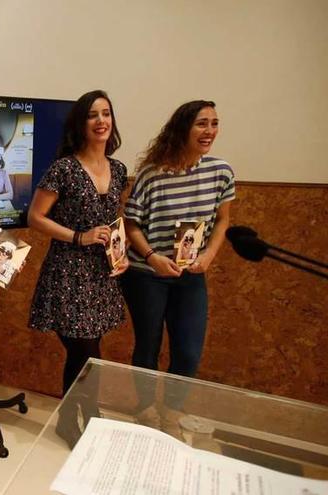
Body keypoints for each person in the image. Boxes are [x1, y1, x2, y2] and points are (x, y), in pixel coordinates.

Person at [121, 100, 234, 433]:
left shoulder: (221, 172)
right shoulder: (151, 174)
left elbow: (223, 222)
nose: (209, 131)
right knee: (148, 345)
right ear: (183, 127)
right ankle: (145, 409)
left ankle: (170, 412)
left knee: (187, 350)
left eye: (214, 123)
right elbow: (131, 224)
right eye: (202, 123)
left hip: (191, 275)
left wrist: (209, 256)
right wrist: (153, 256)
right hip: (147, 274)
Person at [28, 90, 129, 396]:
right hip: (68, 274)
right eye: (92, 115)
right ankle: (84, 414)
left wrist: (120, 252)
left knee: (89, 351)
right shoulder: (64, 169)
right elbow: (35, 217)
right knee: (85, 352)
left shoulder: (120, 169)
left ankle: (71, 419)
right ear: (80, 123)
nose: (101, 121)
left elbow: (114, 220)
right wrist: (78, 236)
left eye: (106, 113)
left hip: (102, 276)